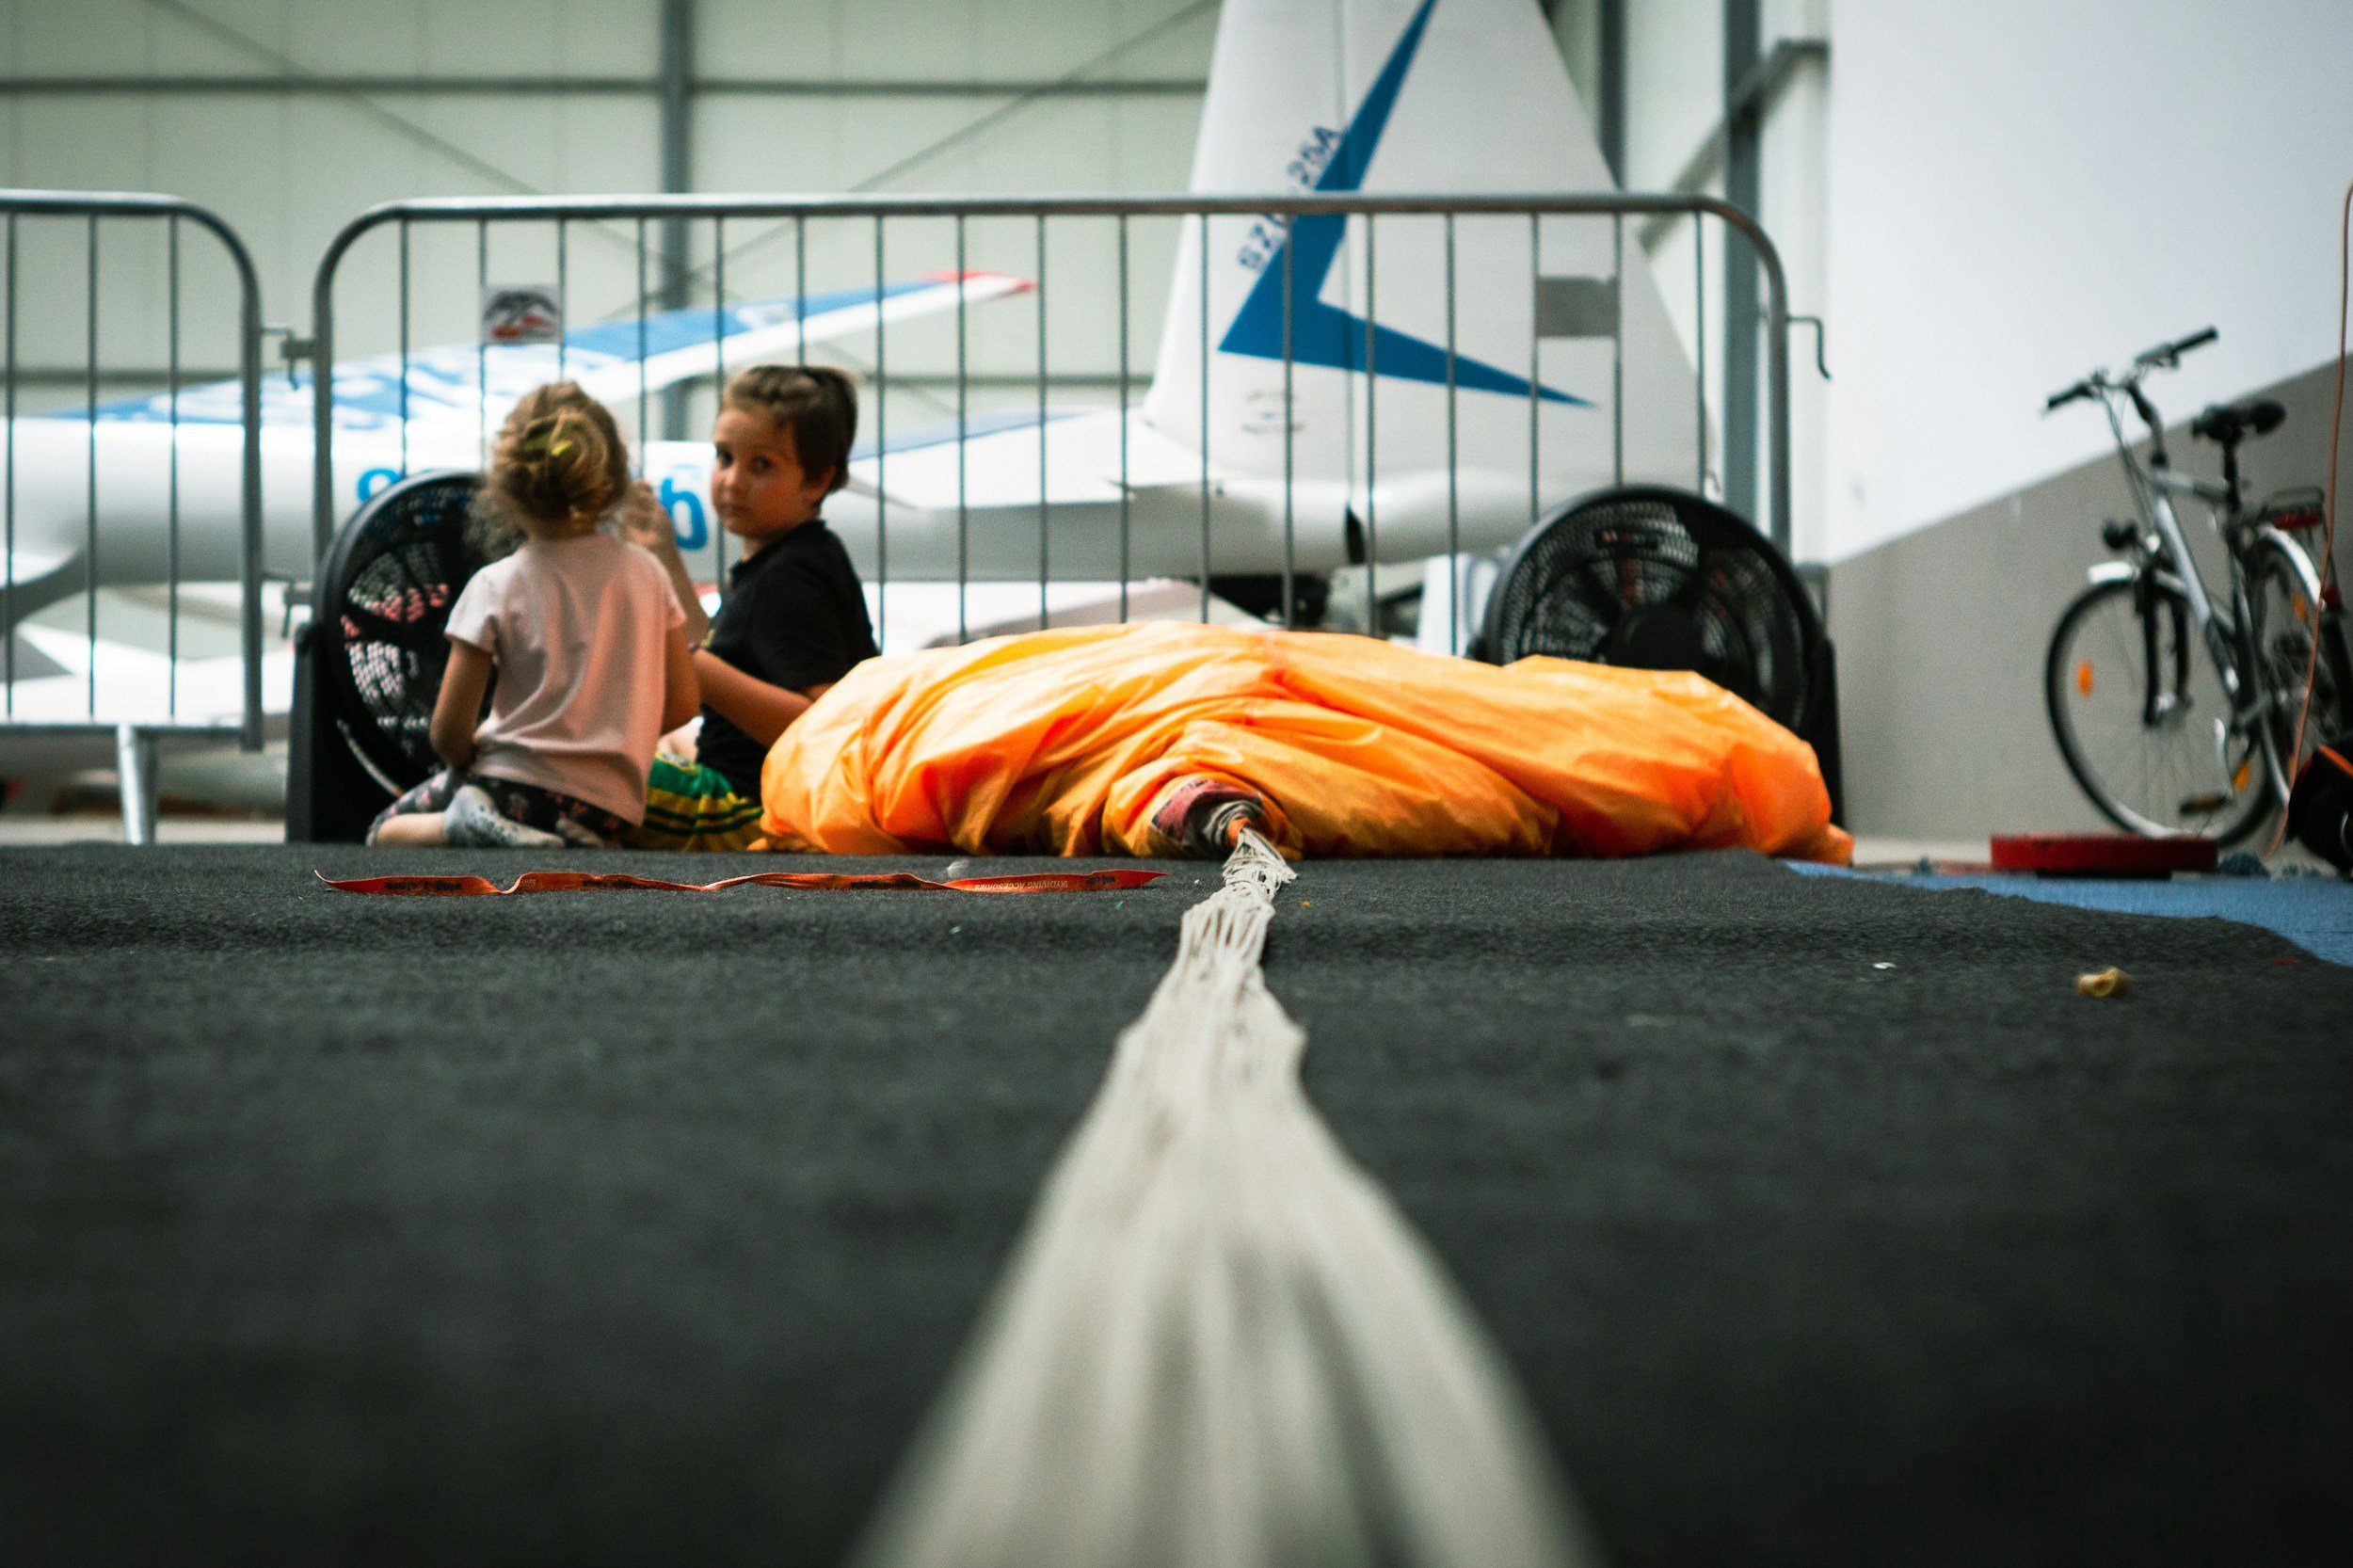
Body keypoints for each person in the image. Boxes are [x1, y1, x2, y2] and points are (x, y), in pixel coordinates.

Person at [370, 384, 698, 849]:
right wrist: (618, 736)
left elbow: (448, 733)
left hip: (511, 787)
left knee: (383, 835)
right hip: (612, 805)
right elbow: (684, 703)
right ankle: (583, 844)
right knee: (568, 828)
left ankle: (468, 824)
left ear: (507, 485)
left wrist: (468, 760)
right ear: (611, 476)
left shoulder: (497, 583)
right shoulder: (649, 574)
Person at [620, 364, 878, 851]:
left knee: (575, 767)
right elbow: (722, 653)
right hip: (747, 794)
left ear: (817, 481)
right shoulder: (788, 557)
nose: (732, 481)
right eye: (724, 457)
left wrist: (688, 656)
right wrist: (664, 556)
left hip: (748, 810)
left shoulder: (789, 580)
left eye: (762, 465)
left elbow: (822, 722)